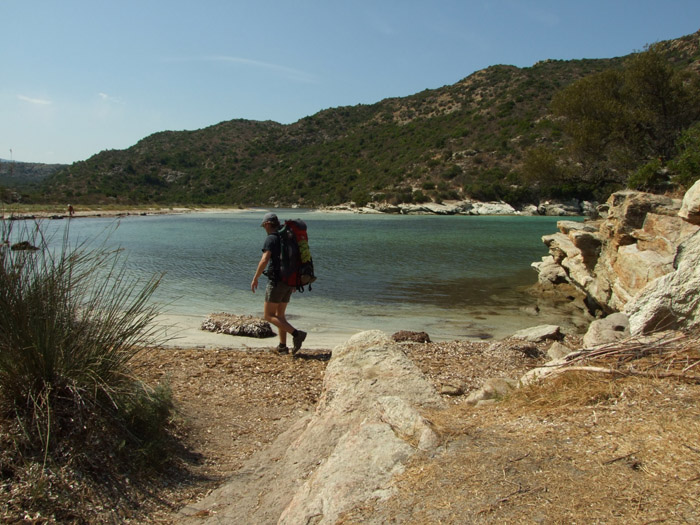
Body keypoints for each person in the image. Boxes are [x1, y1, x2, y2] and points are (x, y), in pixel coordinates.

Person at [251, 212, 307, 355]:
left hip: (277, 281)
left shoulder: (271, 238)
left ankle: (297, 334)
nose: (264, 228)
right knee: (280, 315)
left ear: (268, 224)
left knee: (269, 316)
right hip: (289, 281)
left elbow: (264, 260)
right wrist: (295, 281)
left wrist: (255, 277)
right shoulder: (287, 238)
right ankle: (282, 346)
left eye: (264, 225)